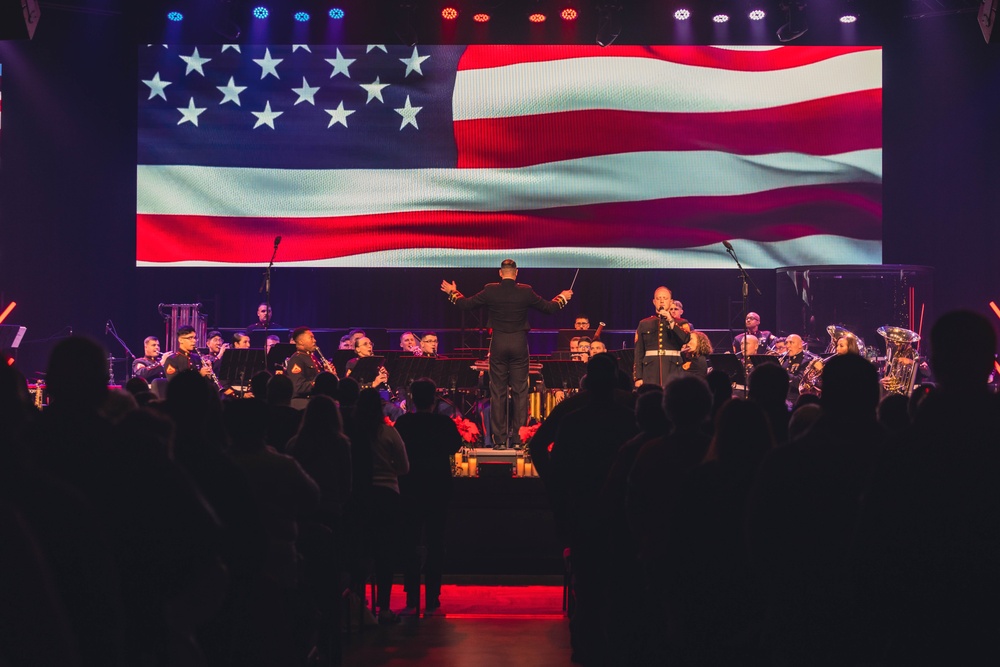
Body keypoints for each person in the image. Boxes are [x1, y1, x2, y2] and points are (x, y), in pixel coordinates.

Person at [441, 259, 573, 449]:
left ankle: (500, 441)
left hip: (499, 342)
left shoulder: (490, 289)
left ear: (500, 273)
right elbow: (549, 308)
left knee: (498, 392)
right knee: (520, 391)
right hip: (519, 342)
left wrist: (452, 292)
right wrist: (563, 297)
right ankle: (519, 440)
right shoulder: (526, 290)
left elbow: (465, 304)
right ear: (516, 272)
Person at [393, 378, 463, 616]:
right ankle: (433, 595)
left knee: (410, 542)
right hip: (438, 487)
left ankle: (412, 594)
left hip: (410, 488)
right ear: (434, 400)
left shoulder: (403, 422)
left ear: (411, 398)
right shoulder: (443, 423)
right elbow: (455, 446)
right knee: (436, 542)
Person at [633, 286, 691, 387]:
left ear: (671, 301)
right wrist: (638, 376)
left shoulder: (681, 323)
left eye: (665, 298)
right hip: (650, 370)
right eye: (658, 298)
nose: (662, 301)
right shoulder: (644, 323)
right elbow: (639, 352)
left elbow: (685, 339)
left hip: (673, 369)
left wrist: (671, 321)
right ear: (654, 302)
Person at [285, 327, 336, 401]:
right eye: (311, 338)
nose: (315, 340)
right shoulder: (297, 359)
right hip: (303, 401)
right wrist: (320, 382)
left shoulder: (312, 357)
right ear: (301, 341)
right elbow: (299, 387)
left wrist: (327, 374)